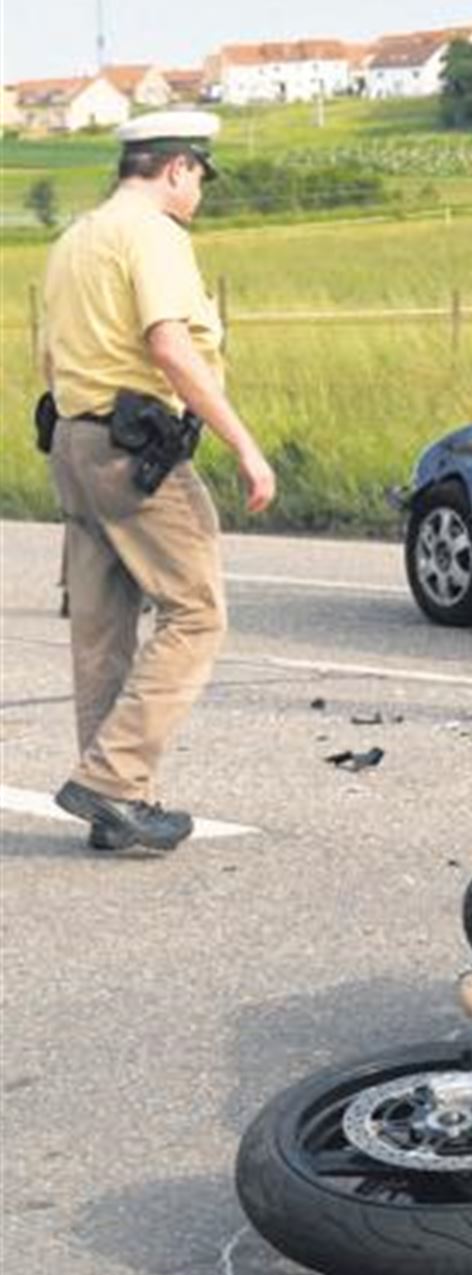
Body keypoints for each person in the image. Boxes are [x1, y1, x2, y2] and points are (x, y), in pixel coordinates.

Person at [38, 110, 277, 852]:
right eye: (200, 177)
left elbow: (51, 358)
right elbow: (170, 347)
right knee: (196, 612)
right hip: (133, 447)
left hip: (75, 437)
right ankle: (114, 781)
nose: (200, 192)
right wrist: (245, 445)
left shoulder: (76, 237)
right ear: (178, 168)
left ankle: (117, 800)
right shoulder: (154, 235)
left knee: (102, 628)